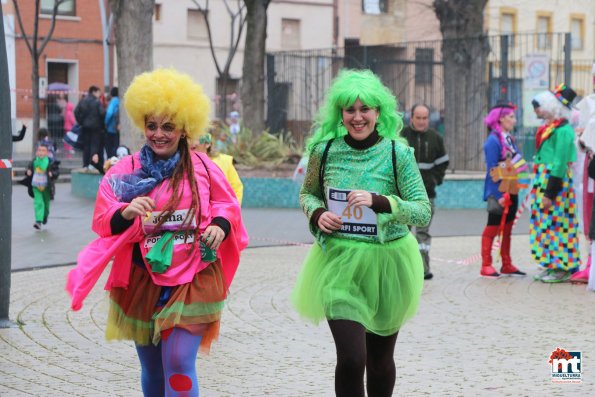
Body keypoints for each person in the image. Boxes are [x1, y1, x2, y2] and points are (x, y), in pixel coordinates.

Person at [66, 68, 248, 397]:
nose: (159, 134)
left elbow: (227, 203)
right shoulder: (126, 170)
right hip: (142, 278)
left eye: (168, 126)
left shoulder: (203, 167)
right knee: (152, 367)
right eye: (152, 126)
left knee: (178, 362)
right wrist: (125, 212)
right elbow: (103, 217)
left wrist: (220, 226)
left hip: (194, 277)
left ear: (183, 129)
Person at [291, 69, 431, 397]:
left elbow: (422, 210)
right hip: (339, 264)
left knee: (380, 360)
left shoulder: (399, 154)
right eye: (350, 110)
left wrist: (381, 202)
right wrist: (317, 213)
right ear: (340, 114)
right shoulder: (323, 151)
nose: (357, 117)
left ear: (378, 112)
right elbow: (308, 193)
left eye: (364, 109)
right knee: (352, 358)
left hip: (388, 264)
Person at [530, 84, 581, 282]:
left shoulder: (563, 130)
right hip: (545, 179)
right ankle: (551, 262)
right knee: (546, 224)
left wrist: (549, 193)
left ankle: (563, 265)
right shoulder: (552, 128)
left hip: (555, 182)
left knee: (559, 224)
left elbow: (559, 164)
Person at [401, 104, 449, 279]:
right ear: (411, 117)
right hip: (403, 197)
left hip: (426, 195)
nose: (422, 121)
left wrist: (435, 180)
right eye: (418, 117)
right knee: (402, 233)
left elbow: (443, 162)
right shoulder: (402, 136)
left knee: (422, 234)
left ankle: (423, 269)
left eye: (425, 118)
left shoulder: (436, 138)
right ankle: (403, 270)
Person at [480, 101, 527, 277]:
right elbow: (492, 170)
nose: (514, 121)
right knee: (492, 227)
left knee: (507, 228)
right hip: (498, 192)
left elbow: (515, 164)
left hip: (512, 189)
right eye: (511, 117)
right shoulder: (493, 141)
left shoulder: (509, 138)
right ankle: (486, 264)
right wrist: (498, 194)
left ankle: (506, 263)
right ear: (500, 119)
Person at [191, 133, 243, 204]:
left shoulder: (224, 161)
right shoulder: (181, 162)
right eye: (189, 138)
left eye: (196, 138)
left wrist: (230, 212)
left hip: (219, 211)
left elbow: (236, 188)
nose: (191, 142)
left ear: (207, 144)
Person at [24, 143, 59, 230]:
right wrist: (28, 171)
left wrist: (52, 174)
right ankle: (38, 221)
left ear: (47, 153)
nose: (41, 152)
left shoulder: (50, 162)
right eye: (39, 150)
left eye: (43, 151)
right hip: (36, 186)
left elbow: (56, 172)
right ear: (36, 152)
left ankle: (45, 215)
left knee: (46, 204)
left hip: (46, 187)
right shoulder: (34, 161)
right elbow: (28, 169)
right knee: (38, 203)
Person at [75, 85, 105, 172]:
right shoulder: (97, 102)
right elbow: (102, 113)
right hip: (96, 128)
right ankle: (93, 164)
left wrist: (81, 122)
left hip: (85, 127)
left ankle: (85, 165)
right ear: (94, 92)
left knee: (86, 146)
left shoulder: (83, 100)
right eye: (98, 92)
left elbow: (76, 112)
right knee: (94, 146)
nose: (99, 94)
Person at [104, 86, 120, 158]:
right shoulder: (120, 101)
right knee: (116, 146)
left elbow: (109, 113)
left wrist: (105, 123)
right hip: (118, 128)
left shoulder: (113, 101)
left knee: (110, 147)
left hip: (111, 128)